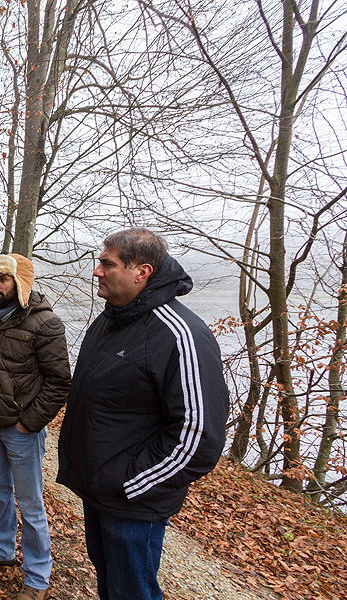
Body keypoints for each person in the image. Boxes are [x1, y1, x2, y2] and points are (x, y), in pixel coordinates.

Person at [57, 228, 229, 600]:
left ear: (142, 272)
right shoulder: (110, 321)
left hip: (131, 501)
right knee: (111, 584)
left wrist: (129, 484)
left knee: (131, 591)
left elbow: (198, 437)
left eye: (108, 263)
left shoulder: (181, 335)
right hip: (99, 488)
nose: (96, 271)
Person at [0, 253, 72, 600]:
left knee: (30, 504)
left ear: (22, 283)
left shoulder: (46, 323)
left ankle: (38, 577)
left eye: (5, 280)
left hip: (20, 431)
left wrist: (29, 424)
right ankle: (0, 549)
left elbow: (59, 382)